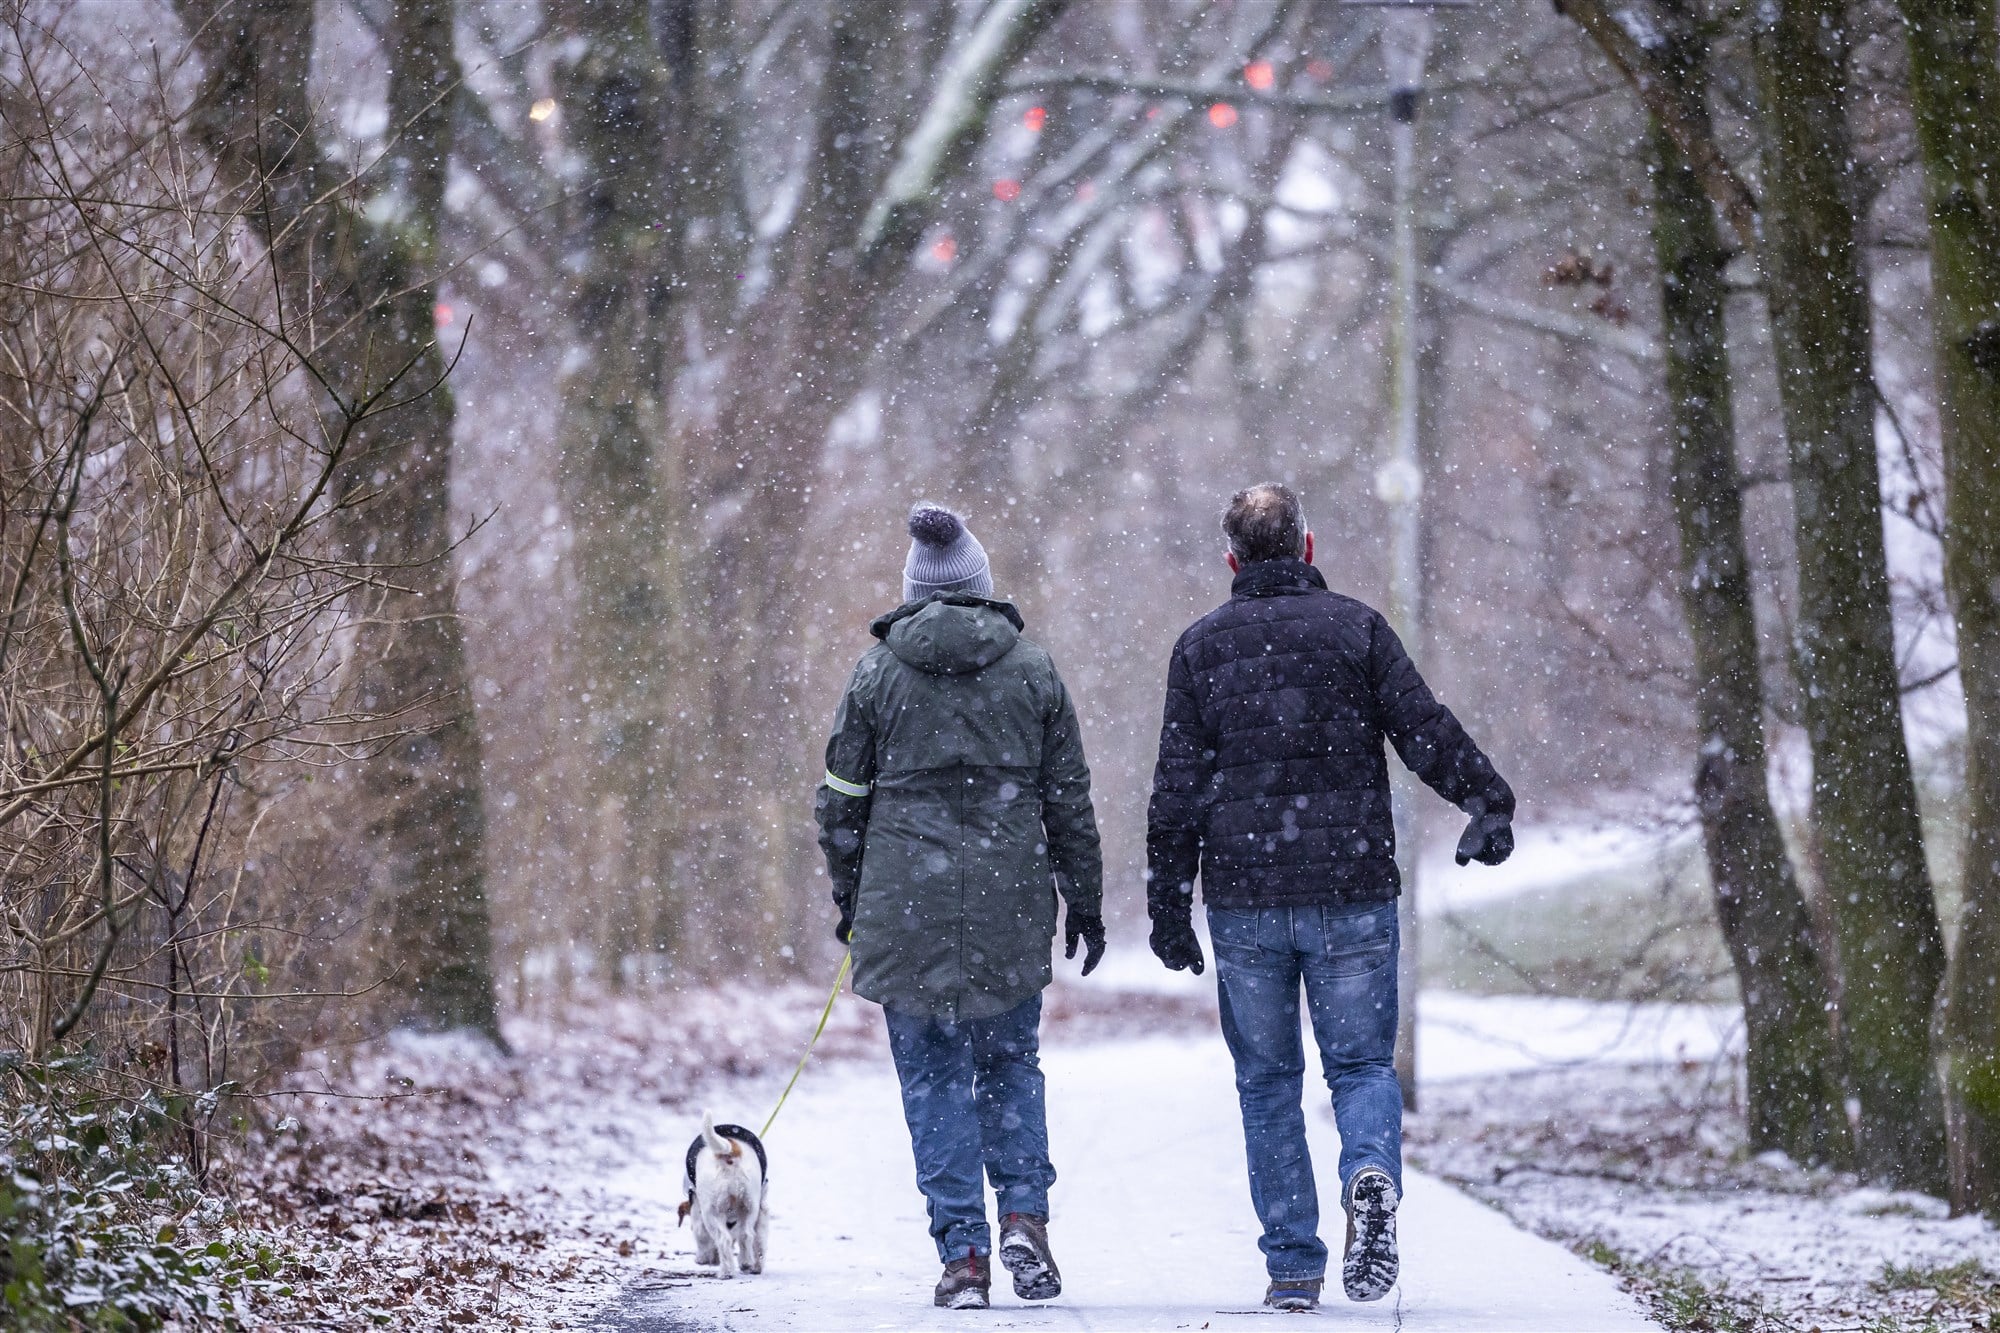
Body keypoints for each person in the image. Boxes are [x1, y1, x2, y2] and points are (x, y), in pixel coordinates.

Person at [1145, 483, 1514, 1312]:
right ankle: (1371, 1172)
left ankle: (1293, 1266)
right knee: (1360, 1065)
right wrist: (1487, 798)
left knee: (1267, 1082)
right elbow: (1425, 727)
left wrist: (1168, 902)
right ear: (1307, 547)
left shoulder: (1199, 649)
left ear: (1233, 558)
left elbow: (1176, 789)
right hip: (1350, 885)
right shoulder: (1356, 629)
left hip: (1244, 899)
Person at [814, 502, 1105, 1312]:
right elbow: (1069, 799)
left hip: (905, 903)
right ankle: (1023, 1216)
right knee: (1009, 1064)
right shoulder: (1033, 669)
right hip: (1011, 898)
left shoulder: (876, 674)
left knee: (933, 1076)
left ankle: (964, 1254)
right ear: (980, 585)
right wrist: (1084, 897)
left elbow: (839, 800)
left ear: (913, 591)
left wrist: (853, 893)